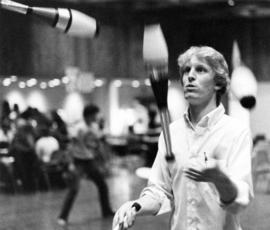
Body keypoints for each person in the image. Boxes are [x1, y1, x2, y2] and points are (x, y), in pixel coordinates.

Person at [112, 46, 254, 230]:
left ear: (218, 83)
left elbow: (239, 202)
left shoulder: (236, 132)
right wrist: (135, 206)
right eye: (186, 70)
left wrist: (221, 180)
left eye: (200, 69)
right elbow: (159, 191)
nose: (190, 76)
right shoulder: (170, 133)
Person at [58, 104, 114, 226]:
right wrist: (71, 163)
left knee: (102, 185)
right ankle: (63, 217)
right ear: (89, 115)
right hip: (79, 161)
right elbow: (71, 146)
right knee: (74, 189)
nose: (97, 117)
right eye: (95, 114)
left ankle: (106, 211)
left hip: (89, 161)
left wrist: (104, 160)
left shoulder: (94, 127)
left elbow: (97, 144)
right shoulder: (80, 128)